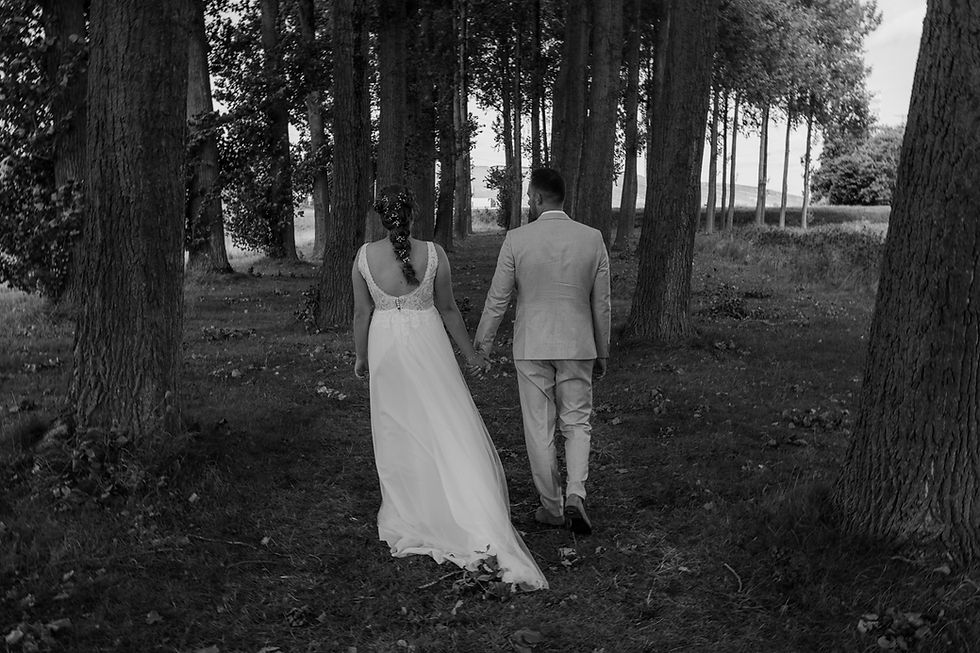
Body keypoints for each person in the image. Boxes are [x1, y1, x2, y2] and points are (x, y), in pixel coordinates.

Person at [350, 184, 547, 591]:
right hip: (428, 343)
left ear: (380, 217)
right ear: (412, 213)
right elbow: (449, 309)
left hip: (385, 345)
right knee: (443, 419)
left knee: (397, 426)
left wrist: (361, 358)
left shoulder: (363, 257)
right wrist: (471, 356)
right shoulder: (434, 254)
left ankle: (412, 507)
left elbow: (361, 313)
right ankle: (459, 502)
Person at [474, 168, 611, 535]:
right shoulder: (592, 239)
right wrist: (604, 350)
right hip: (578, 344)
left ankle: (551, 506)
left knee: (539, 427)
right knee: (577, 421)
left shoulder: (517, 240)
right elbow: (602, 304)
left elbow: (498, 298)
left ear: (535, 198)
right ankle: (576, 494)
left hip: (531, 345)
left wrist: (482, 346)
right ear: (563, 198)